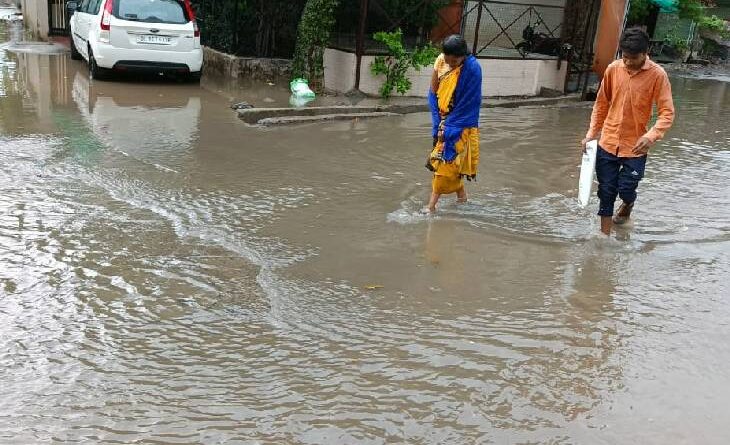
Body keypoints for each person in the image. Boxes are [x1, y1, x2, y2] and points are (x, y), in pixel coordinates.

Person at [581, 27, 675, 236]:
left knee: (626, 188)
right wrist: (591, 134)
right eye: (624, 56)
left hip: (635, 147)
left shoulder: (658, 75)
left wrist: (651, 136)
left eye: (633, 57)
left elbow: (667, 113)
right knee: (606, 191)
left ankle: (628, 205)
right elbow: (601, 104)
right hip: (608, 142)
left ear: (645, 52)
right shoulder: (613, 69)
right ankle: (604, 237)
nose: (628, 62)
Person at [426, 34, 482, 213]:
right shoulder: (441, 61)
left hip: (460, 123)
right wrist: (438, 122)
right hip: (442, 120)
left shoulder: (472, 70)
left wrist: (449, 126)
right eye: (447, 60)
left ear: (463, 56)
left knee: (444, 163)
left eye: (454, 61)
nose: (450, 64)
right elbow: (433, 92)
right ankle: (462, 197)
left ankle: (430, 207)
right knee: (449, 163)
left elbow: (469, 103)